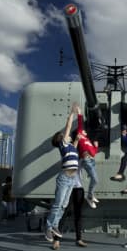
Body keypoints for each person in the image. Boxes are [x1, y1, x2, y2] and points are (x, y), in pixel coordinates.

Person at [45, 103, 81, 242]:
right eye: (65, 135)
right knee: (58, 203)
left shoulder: (70, 147)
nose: (68, 135)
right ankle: (48, 228)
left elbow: (74, 150)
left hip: (72, 179)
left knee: (64, 205)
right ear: (62, 139)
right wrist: (72, 113)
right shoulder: (63, 144)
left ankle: (55, 226)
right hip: (65, 178)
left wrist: (77, 140)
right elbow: (68, 127)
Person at [52, 170, 87, 250]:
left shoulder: (81, 158)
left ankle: (79, 239)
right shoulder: (67, 157)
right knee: (63, 213)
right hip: (67, 187)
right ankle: (56, 240)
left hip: (78, 188)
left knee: (78, 215)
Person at [76, 105, 99, 209]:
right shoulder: (81, 136)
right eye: (84, 130)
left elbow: (93, 153)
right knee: (95, 179)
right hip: (86, 160)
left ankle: (91, 194)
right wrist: (79, 113)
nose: (85, 131)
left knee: (94, 179)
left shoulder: (88, 140)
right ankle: (89, 196)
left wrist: (95, 147)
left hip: (92, 160)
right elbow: (80, 124)